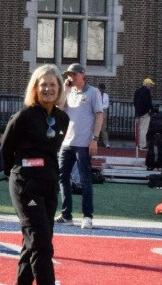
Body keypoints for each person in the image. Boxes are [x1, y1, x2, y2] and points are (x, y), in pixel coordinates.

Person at [1, 64, 70, 285]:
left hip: (49, 185)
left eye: (52, 84)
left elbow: (51, 152)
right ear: (35, 88)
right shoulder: (23, 116)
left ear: (59, 87)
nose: (48, 89)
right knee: (41, 245)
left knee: (33, 242)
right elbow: (6, 149)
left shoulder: (62, 119)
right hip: (25, 184)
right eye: (43, 85)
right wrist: (19, 173)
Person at [56, 63, 103, 229]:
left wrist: (94, 139)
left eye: (74, 74)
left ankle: (87, 216)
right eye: (69, 74)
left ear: (83, 74)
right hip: (67, 142)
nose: (71, 77)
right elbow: (58, 110)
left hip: (83, 143)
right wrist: (65, 90)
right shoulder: (69, 92)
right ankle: (66, 214)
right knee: (62, 177)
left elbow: (99, 115)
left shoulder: (93, 92)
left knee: (84, 179)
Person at [133, 78, 154, 154]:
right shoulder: (147, 92)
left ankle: (137, 144)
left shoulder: (137, 91)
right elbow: (148, 102)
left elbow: (135, 102)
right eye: (150, 84)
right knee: (143, 129)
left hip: (137, 112)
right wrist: (150, 109)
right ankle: (142, 145)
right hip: (145, 113)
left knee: (137, 129)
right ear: (147, 84)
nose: (151, 86)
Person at [96, 83, 110, 147]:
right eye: (100, 89)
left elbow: (106, 105)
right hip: (96, 111)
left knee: (103, 128)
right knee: (95, 127)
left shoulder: (106, 96)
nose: (101, 91)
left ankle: (106, 143)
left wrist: (100, 107)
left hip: (103, 111)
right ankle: (95, 142)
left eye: (102, 90)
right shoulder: (95, 95)